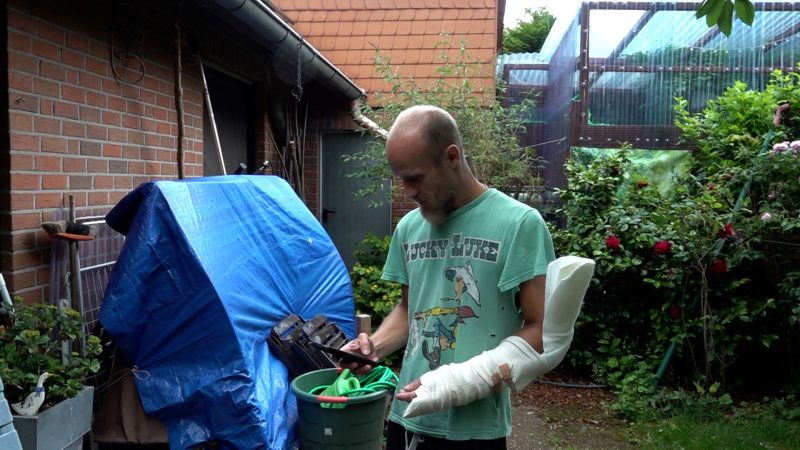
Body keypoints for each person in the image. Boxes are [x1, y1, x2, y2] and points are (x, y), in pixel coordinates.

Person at [341, 105, 556, 449]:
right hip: (406, 417)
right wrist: (372, 348)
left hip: (475, 431)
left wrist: (463, 381)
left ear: (451, 156)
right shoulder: (409, 227)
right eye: (401, 180)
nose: (407, 191)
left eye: (415, 178)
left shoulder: (520, 224)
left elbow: (540, 332)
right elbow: (408, 310)